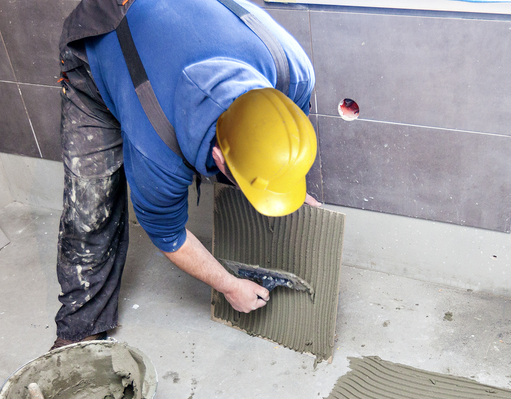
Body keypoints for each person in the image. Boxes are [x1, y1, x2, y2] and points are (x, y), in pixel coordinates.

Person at [52, 0, 317, 349]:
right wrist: (229, 286)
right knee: (90, 207)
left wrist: (287, 183)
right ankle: (80, 329)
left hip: (174, 25)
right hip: (104, 40)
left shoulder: (293, 72)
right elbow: (168, 235)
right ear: (220, 157)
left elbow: (279, 142)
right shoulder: (158, 150)